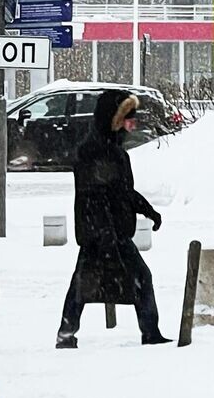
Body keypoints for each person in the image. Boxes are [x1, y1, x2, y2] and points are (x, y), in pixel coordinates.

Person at [56, 89, 170, 349]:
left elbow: (123, 191)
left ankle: (67, 335)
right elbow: (94, 197)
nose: (133, 124)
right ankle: (149, 333)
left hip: (111, 233)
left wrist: (147, 210)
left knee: (85, 283)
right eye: (129, 118)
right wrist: (106, 235)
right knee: (131, 278)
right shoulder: (93, 151)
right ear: (114, 119)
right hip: (101, 234)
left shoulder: (115, 151)